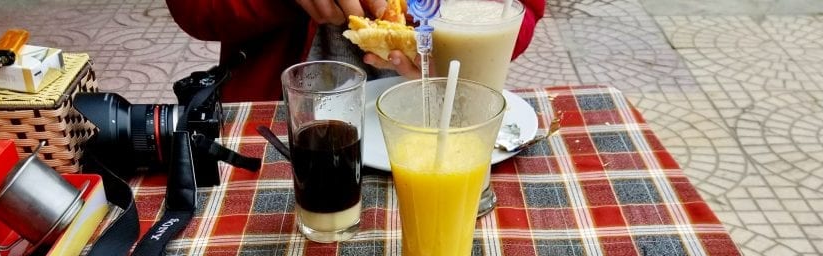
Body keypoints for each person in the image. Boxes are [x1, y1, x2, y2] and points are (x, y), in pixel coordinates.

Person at [165, 0, 546, 102]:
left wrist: (457, 27)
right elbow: (193, 9)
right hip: (281, 133)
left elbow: (521, 12)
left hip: (445, 109)